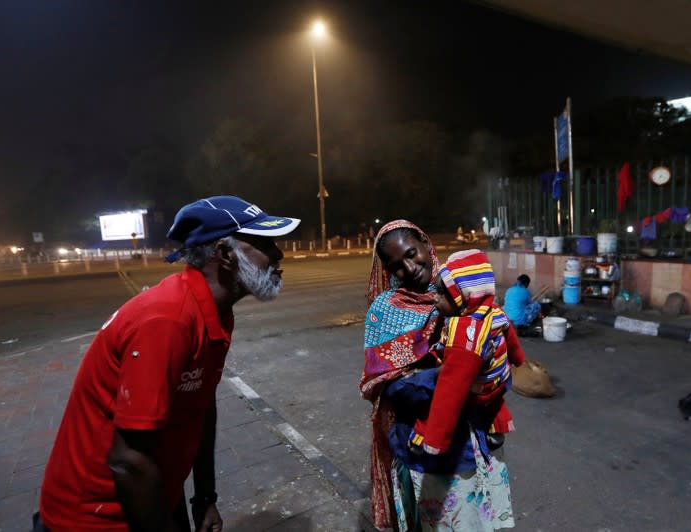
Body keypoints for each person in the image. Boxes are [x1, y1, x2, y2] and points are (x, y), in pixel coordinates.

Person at [34, 195, 300, 531]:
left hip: (153, 493)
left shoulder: (216, 312)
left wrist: (205, 497)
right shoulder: (166, 319)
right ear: (225, 254)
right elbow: (127, 461)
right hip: (98, 518)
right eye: (265, 243)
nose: (278, 254)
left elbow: (201, 405)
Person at [396, 249, 525, 531]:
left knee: (433, 414)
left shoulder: (464, 336)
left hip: (478, 394)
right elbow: (511, 338)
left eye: (443, 295)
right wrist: (517, 360)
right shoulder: (493, 311)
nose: (435, 299)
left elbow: (449, 392)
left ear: (462, 299)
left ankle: (426, 438)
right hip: (497, 384)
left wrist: (435, 440)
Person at [361, 220, 440, 531]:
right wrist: (436, 374)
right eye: (396, 266)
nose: (409, 268)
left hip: (463, 433)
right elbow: (383, 386)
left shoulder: (459, 288)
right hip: (413, 435)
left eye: (411, 253)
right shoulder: (384, 311)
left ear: (424, 243)